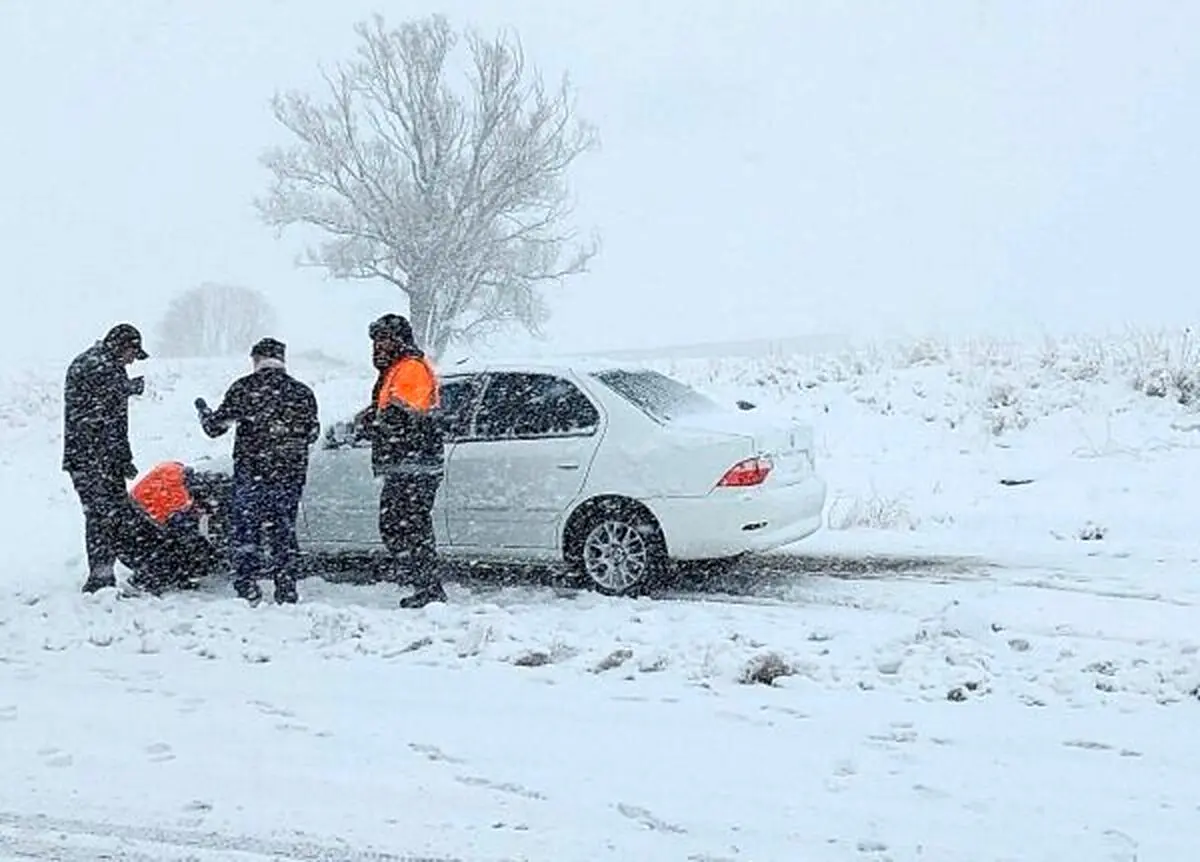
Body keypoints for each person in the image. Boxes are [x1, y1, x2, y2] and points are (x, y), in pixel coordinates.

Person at [195, 338, 319, 605]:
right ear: (282, 359)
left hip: (253, 473)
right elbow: (312, 433)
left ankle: (247, 585)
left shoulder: (245, 388)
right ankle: (286, 587)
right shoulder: (302, 392)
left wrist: (204, 412)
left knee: (246, 529)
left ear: (255, 359)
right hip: (289, 474)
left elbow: (215, 428)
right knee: (283, 530)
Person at [360, 313, 447, 609]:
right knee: (403, 525)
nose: (377, 347)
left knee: (407, 526)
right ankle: (421, 578)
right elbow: (390, 412)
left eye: (383, 340)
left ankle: (426, 585)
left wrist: (371, 426)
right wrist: (370, 417)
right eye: (375, 341)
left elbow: (402, 417)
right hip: (407, 464)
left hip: (414, 464)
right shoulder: (397, 369)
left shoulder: (409, 369)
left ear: (398, 340)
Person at [62, 322, 151, 593]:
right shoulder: (99, 365)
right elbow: (104, 415)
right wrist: (126, 388)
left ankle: (125, 569)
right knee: (103, 516)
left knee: (115, 514)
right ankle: (100, 578)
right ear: (122, 346)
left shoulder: (100, 364)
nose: (133, 361)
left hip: (99, 457)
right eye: (133, 354)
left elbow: (110, 416)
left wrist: (122, 458)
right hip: (92, 457)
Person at [126, 460, 225, 593]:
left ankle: (157, 574)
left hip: (131, 531)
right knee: (191, 549)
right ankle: (156, 576)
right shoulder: (179, 502)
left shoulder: (171, 472)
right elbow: (186, 536)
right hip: (144, 540)